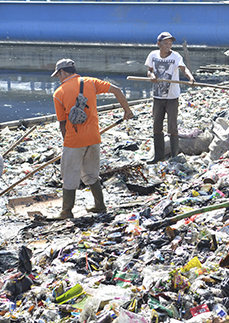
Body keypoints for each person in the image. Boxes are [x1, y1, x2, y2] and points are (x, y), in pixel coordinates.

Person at [51, 58, 134, 219]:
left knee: (69, 175)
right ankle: (100, 205)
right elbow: (116, 90)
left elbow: (62, 124)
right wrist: (127, 110)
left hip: (74, 141)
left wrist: (66, 143)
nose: (58, 78)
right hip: (94, 137)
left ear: (62, 72)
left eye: (58, 75)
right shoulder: (90, 82)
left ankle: (66, 211)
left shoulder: (58, 93)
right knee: (91, 174)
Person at [145, 32, 195, 164]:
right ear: (159, 44)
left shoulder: (175, 56)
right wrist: (151, 76)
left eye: (170, 43)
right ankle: (159, 156)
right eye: (166, 43)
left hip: (172, 97)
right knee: (157, 125)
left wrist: (190, 78)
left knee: (172, 126)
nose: (168, 46)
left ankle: (175, 156)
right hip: (157, 96)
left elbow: (184, 69)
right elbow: (149, 70)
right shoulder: (153, 55)